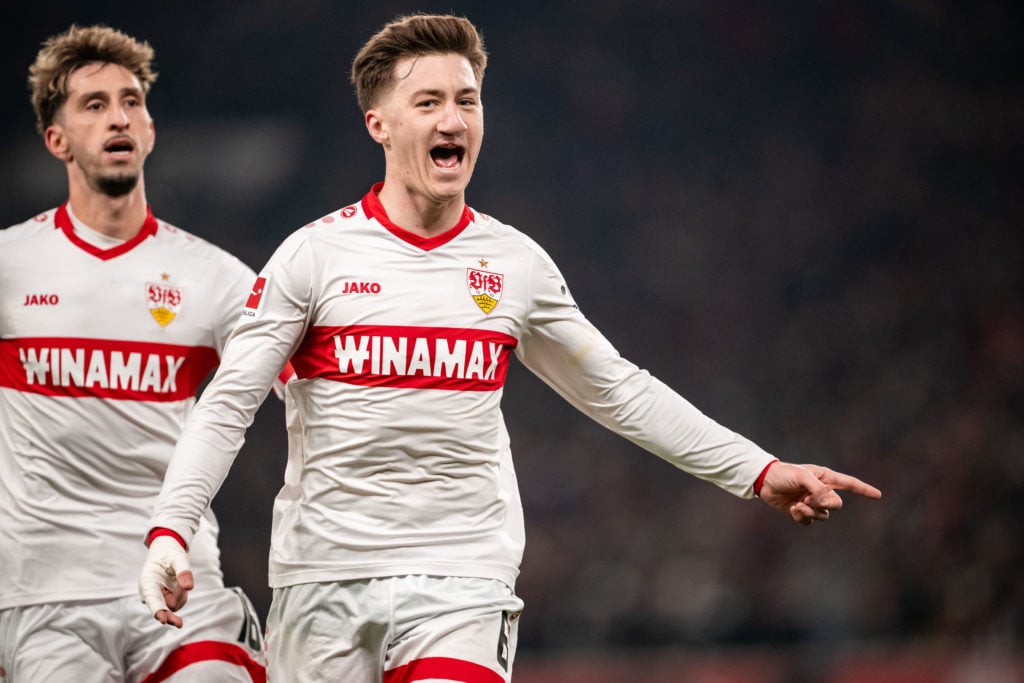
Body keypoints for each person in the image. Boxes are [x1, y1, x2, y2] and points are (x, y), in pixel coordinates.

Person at [139, 13, 882, 682]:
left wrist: (759, 469)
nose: (453, 117)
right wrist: (171, 526)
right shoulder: (312, 258)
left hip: (463, 574)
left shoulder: (515, 265)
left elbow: (617, 388)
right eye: (428, 102)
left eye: (466, 99)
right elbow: (229, 401)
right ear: (380, 124)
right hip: (321, 575)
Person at [0, 24, 291, 682]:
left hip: (180, 579)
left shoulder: (215, 277)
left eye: (131, 101)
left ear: (151, 130)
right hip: (45, 596)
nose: (118, 117)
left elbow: (319, 379)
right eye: (94, 104)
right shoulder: (11, 265)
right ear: (57, 139)